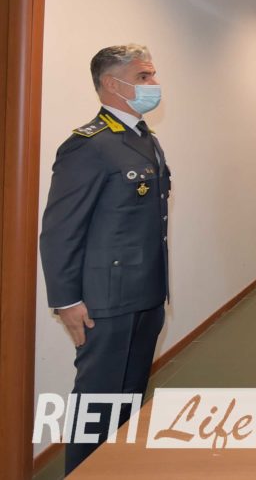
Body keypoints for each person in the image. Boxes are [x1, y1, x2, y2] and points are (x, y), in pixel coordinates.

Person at [39, 45, 170, 475]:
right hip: (106, 303)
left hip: (146, 294)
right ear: (113, 84)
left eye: (153, 75)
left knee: (129, 399)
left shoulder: (144, 138)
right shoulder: (89, 146)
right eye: (144, 77)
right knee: (97, 405)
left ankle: (117, 468)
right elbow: (61, 230)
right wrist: (66, 301)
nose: (154, 84)